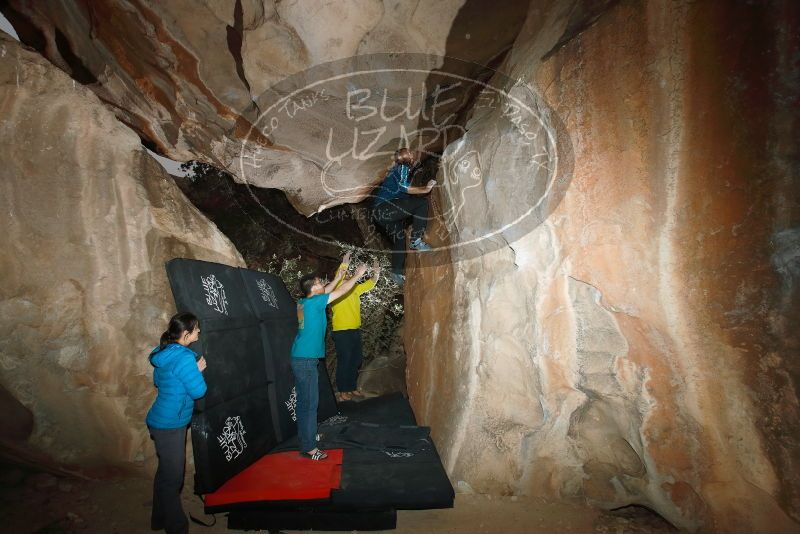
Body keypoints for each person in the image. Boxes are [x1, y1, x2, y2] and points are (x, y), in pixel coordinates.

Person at [291, 252, 369, 460]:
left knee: (304, 402)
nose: (322, 282)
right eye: (318, 282)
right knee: (310, 403)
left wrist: (343, 266)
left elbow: (332, 285)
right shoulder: (316, 303)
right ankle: (309, 448)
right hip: (306, 361)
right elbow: (342, 289)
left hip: (301, 358)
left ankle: (306, 436)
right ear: (313, 288)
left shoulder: (304, 302)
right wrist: (357, 274)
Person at [146, 312, 207, 534]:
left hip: (161, 421)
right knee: (173, 480)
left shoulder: (163, 352)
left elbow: (159, 380)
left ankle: (158, 519)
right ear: (186, 333)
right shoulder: (184, 358)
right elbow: (199, 391)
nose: (199, 332)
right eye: (196, 329)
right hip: (170, 425)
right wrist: (197, 371)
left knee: (165, 474)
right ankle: (177, 528)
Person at [371, 148, 437, 286]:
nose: (412, 156)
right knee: (421, 204)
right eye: (410, 154)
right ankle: (416, 241)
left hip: (380, 215)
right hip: (385, 208)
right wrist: (426, 189)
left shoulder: (398, 173)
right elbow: (402, 186)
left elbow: (406, 198)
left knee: (400, 240)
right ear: (406, 158)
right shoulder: (402, 167)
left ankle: (396, 273)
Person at [330, 257, 381, 402]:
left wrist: (376, 272)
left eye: (348, 275)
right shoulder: (337, 289)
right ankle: (342, 391)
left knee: (356, 359)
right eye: (345, 275)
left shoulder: (355, 290)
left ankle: (351, 387)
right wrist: (345, 261)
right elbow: (340, 273)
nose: (347, 276)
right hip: (341, 331)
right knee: (345, 360)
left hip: (354, 330)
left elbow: (371, 283)